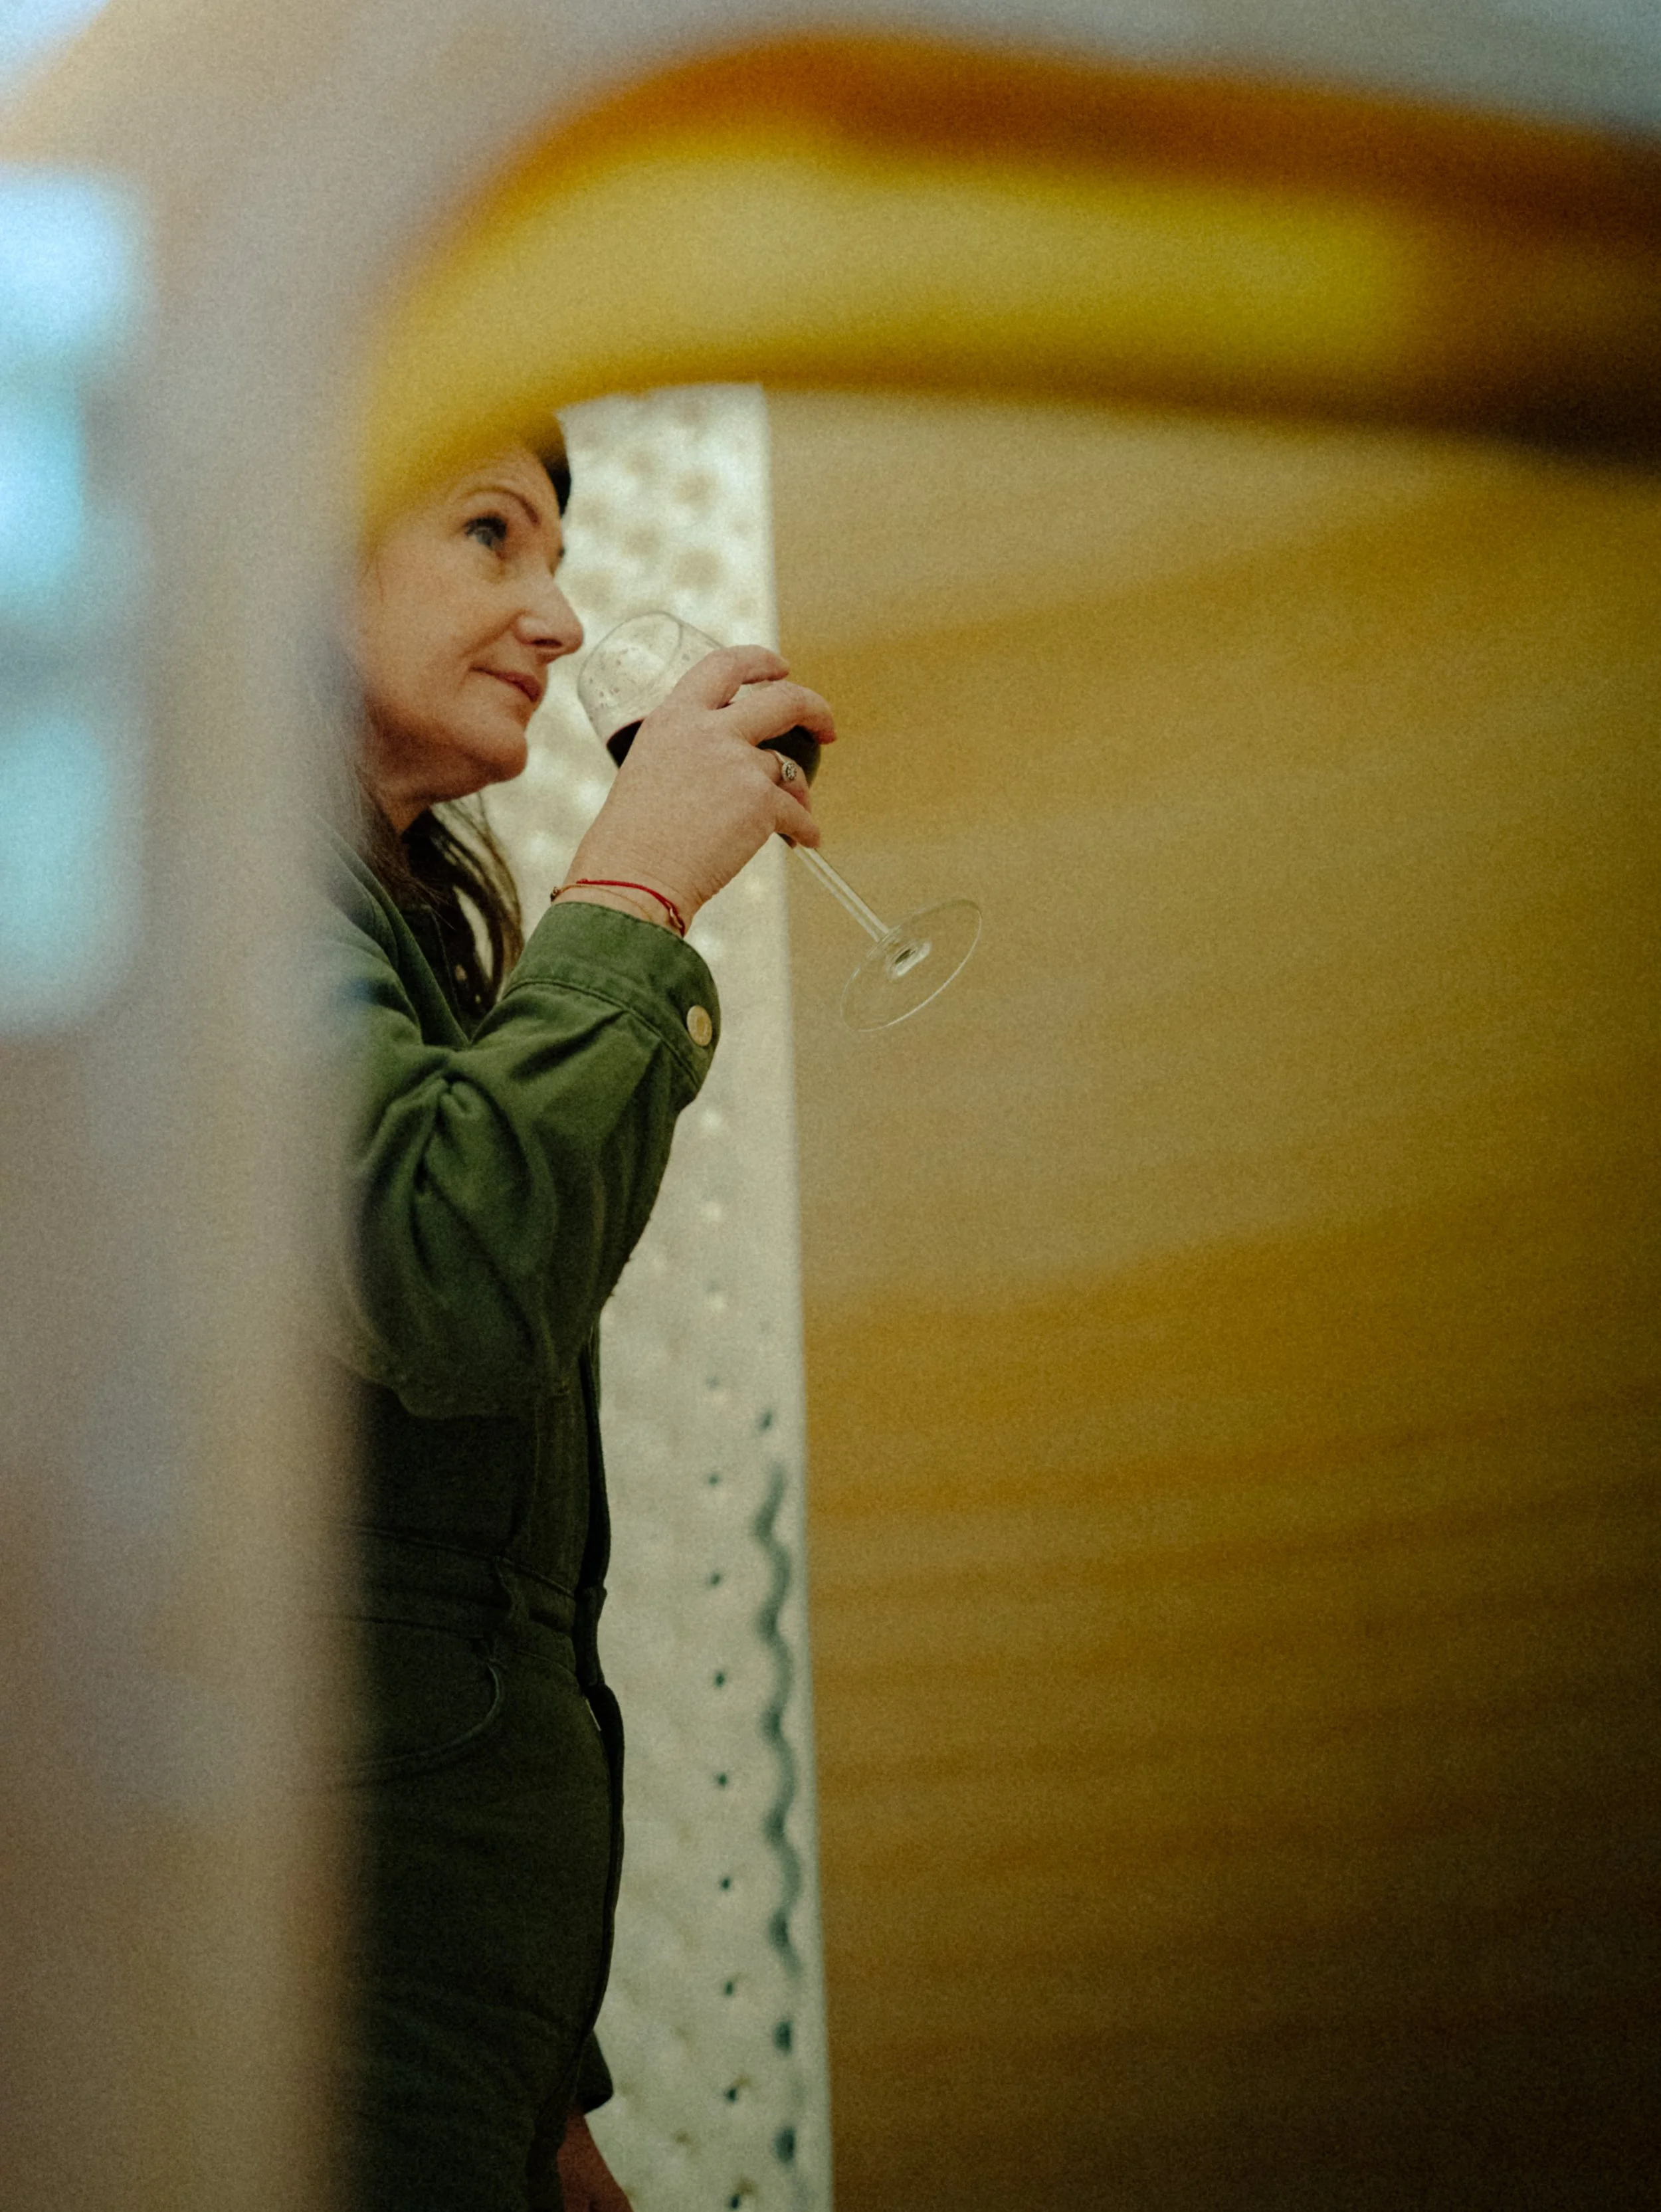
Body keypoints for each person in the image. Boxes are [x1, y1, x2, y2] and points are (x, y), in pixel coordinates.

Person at [318, 430, 834, 2211]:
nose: (556, 616)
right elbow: (448, 1267)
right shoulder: (193, 879)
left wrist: (543, 2101)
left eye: (558, 554)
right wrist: (631, 896)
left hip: (433, 2018)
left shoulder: (385, 936)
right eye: (492, 532)